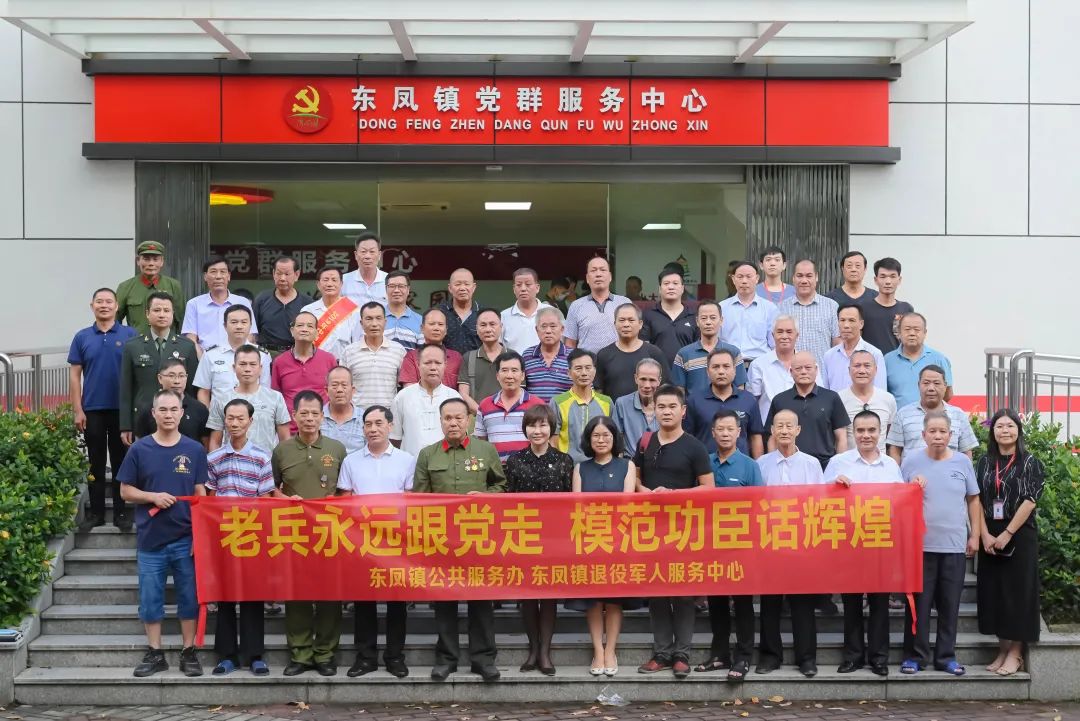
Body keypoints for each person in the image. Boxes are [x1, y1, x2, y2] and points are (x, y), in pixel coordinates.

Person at [413, 397, 506, 682]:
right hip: (441, 540)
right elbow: (419, 499)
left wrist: (486, 496)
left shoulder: (485, 450)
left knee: (481, 601)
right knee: (444, 601)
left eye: (458, 418)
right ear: (440, 421)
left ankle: (483, 659)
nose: (453, 423)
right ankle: (446, 659)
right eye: (447, 418)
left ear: (469, 420)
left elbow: (501, 486)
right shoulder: (428, 455)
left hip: (477, 538)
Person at [117, 389, 206, 678]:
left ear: (182, 413)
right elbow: (125, 491)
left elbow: (200, 494)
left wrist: (200, 535)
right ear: (154, 413)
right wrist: (152, 496)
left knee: (189, 598)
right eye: (163, 410)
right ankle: (155, 653)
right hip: (151, 539)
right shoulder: (139, 449)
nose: (168, 415)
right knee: (150, 599)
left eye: (173, 409)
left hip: (185, 538)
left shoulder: (195, 450)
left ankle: (188, 651)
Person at [633, 385, 712, 679]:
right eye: (661, 407)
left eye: (672, 407)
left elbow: (708, 487)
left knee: (682, 593)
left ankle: (682, 654)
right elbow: (635, 478)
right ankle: (662, 652)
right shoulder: (645, 442)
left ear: (683, 411)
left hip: (685, 530)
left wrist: (674, 495)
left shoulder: (694, 446)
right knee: (657, 592)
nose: (666, 412)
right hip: (652, 530)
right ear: (653, 410)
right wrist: (647, 492)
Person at [336, 404, 416, 679]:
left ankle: (395, 657)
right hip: (363, 542)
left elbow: (411, 500)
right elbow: (345, 500)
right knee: (364, 602)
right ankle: (365, 657)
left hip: (396, 541)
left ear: (390, 426)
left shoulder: (406, 460)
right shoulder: (351, 461)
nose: (373, 429)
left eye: (379, 423)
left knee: (396, 603)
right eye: (368, 424)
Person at [272, 391, 348, 677]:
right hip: (294, 533)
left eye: (315, 413)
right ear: (294, 416)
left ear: (322, 416)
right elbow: (271, 489)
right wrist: (284, 499)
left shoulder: (336, 449)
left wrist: (336, 504)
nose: (309, 418)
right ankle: (300, 654)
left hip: (330, 534)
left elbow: (345, 490)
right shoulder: (282, 450)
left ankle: (325, 653)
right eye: (303, 413)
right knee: (297, 595)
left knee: (330, 595)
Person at [900, 410, 980, 677]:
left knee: (949, 606)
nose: (937, 436)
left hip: (954, 545)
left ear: (951, 435)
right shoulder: (911, 461)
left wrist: (975, 535)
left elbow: (973, 499)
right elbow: (897, 498)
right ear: (923, 435)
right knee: (919, 608)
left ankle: (946, 657)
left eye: (942, 431)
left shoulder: (962, 462)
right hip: (920, 547)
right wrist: (911, 488)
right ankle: (915, 656)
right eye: (932, 431)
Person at [824, 410, 903, 677]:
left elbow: (901, 503)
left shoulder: (891, 466)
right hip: (850, 543)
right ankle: (853, 656)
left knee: (880, 603)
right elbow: (820, 501)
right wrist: (834, 487)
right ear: (853, 433)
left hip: (881, 543)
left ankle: (879, 658)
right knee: (852, 603)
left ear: (881, 433)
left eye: (871, 430)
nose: (866, 435)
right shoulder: (838, 463)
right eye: (860, 430)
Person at [205, 398, 279, 677]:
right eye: (230, 418)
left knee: (252, 595)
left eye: (240, 418)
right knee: (225, 596)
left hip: (251, 536)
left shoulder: (261, 457)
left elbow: (265, 499)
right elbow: (210, 500)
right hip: (224, 536)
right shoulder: (214, 458)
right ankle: (227, 656)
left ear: (250, 421)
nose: (234, 423)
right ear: (224, 421)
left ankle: (254, 655)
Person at [504, 405, 574, 676]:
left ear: (551, 429)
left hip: (555, 538)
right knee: (528, 596)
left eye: (543, 425)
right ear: (525, 429)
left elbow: (570, 501)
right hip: (524, 537)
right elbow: (508, 500)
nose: (538, 430)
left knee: (549, 596)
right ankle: (532, 649)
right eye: (532, 425)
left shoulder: (564, 461)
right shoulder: (515, 461)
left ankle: (545, 651)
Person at [755, 409, 825, 677]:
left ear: (798, 430)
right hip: (769, 543)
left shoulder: (811, 464)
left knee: (803, 604)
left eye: (789, 426)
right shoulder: (761, 464)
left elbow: (820, 503)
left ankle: (806, 658)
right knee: (770, 603)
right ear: (772, 431)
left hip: (801, 543)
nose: (784, 430)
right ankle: (770, 656)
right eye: (779, 426)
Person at [568, 415, 640, 677]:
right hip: (589, 541)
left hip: (618, 541)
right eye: (595, 436)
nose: (601, 440)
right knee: (593, 600)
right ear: (588, 440)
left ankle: (611, 650)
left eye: (606, 435)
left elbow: (627, 505)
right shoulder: (580, 468)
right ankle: (597, 651)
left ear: (614, 438)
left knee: (614, 599)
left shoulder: (627, 466)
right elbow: (577, 506)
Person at [976, 409, 1044, 677]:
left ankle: (1016, 653)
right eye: (999, 426)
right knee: (995, 594)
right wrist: (984, 535)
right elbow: (976, 500)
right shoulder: (984, 462)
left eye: (1010, 425)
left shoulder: (1030, 462)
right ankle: (1002, 649)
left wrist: (1007, 533)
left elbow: (1030, 500)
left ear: (1018, 430)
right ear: (992, 432)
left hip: (1019, 533)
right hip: (989, 534)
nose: (1005, 430)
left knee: (1017, 594)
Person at [696, 409, 762, 681]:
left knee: (743, 602)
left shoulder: (749, 466)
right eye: (720, 429)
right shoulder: (704, 463)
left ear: (739, 433)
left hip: (741, 544)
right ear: (713, 433)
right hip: (711, 543)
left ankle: (744, 656)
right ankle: (719, 654)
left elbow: (759, 505)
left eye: (730, 429)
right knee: (716, 602)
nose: (725, 434)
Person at [69, 288, 138, 531]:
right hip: (93, 409)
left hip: (123, 410)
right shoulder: (82, 337)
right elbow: (75, 376)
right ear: (92, 306)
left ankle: (121, 513)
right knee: (95, 463)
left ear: (117, 306)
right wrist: (78, 409)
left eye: (109, 301)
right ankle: (96, 513)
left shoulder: (131, 335)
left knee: (121, 462)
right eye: (100, 301)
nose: (104, 305)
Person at [119, 290, 198, 444]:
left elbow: (191, 388)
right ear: (147, 314)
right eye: (157, 310)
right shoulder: (132, 346)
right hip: (143, 419)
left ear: (173, 314)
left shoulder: (187, 346)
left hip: (176, 419)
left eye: (166, 310)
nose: (162, 315)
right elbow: (126, 390)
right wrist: (125, 426)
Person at [765, 351, 849, 470]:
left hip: (825, 466)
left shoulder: (831, 398)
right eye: (798, 368)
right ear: (791, 372)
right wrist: (774, 466)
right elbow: (772, 438)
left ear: (816, 370)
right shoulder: (779, 400)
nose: (803, 372)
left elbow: (841, 437)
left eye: (808, 368)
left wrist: (839, 468)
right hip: (788, 466)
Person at [206, 344, 291, 452]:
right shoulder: (221, 399)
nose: (247, 369)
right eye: (242, 364)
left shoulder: (275, 398)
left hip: (267, 461)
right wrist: (215, 461)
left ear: (260, 368)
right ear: (234, 367)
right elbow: (215, 441)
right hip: (231, 461)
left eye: (252, 364)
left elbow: (285, 440)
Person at [887, 365, 977, 463]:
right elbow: (895, 450)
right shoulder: (903, 414)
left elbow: (966, 452)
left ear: (945, 386)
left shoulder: (958, 415)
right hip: (913, 472)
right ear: (919, 385)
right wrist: (898, 472)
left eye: (937, 383)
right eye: (926, 383)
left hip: (949, 472)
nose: (931, 388)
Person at [685, 349, 764, 457]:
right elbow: (688, 438)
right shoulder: (694, 400)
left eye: (726, 366)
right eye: (716, 367)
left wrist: (757, 464)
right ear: (707, 371)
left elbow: (755, 437)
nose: (721, 371)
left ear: (734, 370)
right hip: (705, 465)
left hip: (741, 465)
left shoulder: (748, 399)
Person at [474, 351, 547, 463]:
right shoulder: (485, 405)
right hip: (496, 470)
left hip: (530, 469)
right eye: (504, 370)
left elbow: (545, 440)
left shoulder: (537, 404)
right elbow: (481, 442)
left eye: (514, 370)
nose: (509, 376)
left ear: (522, 375)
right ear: (497, 376)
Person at [390, 344, 463, 456]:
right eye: (427, 363)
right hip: (411, 463)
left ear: (445, 365)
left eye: (438, 363)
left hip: (446, 463)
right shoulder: (403, 397)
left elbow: (461, 438)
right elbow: (395, 438)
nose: (433, 367)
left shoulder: (454, 397)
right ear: (418, 365)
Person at [269, 311, 336, 433]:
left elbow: (335, 395)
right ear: (292, 331)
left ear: (316, 332)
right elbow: (275, 397)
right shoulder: (280, 362)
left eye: (310, 326)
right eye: (300, 325)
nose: (304, 329)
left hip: (324, 429)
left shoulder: (329, 359)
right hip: (290, 431)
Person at [193, 305, 271, 407]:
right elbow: (203, 391)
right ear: (225, 326)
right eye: (234, 322)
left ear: (250, 325)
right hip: (219, 415)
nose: (239, 326)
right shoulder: (210, 355)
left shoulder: (263, 355)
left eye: (244, 322)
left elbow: (266, 391)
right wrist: (207, 415)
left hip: (253, 414)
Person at [747, 316, 816, 428]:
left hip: (803, 427)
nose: (784, 336)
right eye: (780, 332)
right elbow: (752, 403)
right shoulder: (758, 365)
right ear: (773, 335)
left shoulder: (809, 364)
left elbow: (818, 395)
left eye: (789, 332)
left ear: (797, 335)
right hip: (769, 429)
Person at [182, 256, 257, 356]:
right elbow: (191, 338)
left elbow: (250, 335)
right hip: (204, 357)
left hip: (237, 357)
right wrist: (203, 360)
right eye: (213, 272)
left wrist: (240, 357)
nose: (218, 276)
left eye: (222, 272)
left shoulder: (243, 302)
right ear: (205, 276)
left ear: (229, 276)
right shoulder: (194, 304)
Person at [339, 301, 407, 409]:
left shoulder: (399, 350)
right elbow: (343, 386)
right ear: (361, 323)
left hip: (388, 414)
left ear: (385, 321)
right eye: (369, 319)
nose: (374, 324)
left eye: (378, 318)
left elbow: (404, 388)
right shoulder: (349, 352)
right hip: (358, 414)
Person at [550, 349, 613, 463]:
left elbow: (613, 436)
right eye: (578, 368)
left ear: (594, 371)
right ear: (569, 373)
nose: (584, 373)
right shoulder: (557, 402)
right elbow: (553, 441)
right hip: (567, 466)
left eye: (588, 368)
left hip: (600, 466)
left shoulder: (607, 402)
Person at [673, 300, 747, 395]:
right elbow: (679, 391)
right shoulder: (684, 354)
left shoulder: (733, 352)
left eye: (713, 318)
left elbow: (740, 388)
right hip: (694, 404)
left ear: (721, 320)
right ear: (697, 321)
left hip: (727, 405)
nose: (708, 322)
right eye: (704, 318)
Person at [595, 303, 668, 400]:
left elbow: (664, 387)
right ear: (615, 324)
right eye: (622, 320)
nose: (626, 324)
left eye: (631, 320)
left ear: (640, 324)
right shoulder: (604, 355)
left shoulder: (654, 353)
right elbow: (598, 391)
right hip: (613, 409)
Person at [884, 312, 954, 409]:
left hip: (930, 417)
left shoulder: (939, 359)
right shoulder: (887, 360)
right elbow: (883, 393)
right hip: (899, 417)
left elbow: (948, 393)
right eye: (907, 329)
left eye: (917, 330)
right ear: (899, 333)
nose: (912, 333)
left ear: (925, 333)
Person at [776, 259, 840, 365]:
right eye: (799, 276)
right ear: (793, 278)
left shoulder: (831, 306)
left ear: (816, 277)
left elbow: (837, 343)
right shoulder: (781, 308)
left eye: (809, 276)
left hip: (822, 372)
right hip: (790, 372)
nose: (804, 280)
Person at [133, 358, 210, 445]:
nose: (177, 381)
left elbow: (205, 445)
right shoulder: (148, 409)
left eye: (181, 376)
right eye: (171, 376)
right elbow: (139, 444)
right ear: (160, 378)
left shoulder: (199, 409)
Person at [115, 240, 185, 335]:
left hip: (167, 342)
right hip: (137, 341)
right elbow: (115, 320)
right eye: (146, 259)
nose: (151, 263)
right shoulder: (125, 287)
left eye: (155, 259)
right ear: (138, 261)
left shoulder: (173, 286)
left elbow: (181, 319)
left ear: (162, 262)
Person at [563, 257, 631, 352]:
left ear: (610, 277)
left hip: (619, 360)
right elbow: (570, 343)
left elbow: (633, 337)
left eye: (603, 270)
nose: (598, 274)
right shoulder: (576, 306)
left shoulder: (624, 303)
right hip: (587, 361)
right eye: (593, 270)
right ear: (587, 278)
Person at [720, 261, 780, 365]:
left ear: (757, 278)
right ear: (733, 279)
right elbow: (715, 341)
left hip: (760, 366)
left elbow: (775, 344)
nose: (744, 281)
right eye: (740, 277)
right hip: (728, 365)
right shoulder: (722, 308)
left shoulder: (770, 309)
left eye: (749, 276)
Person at [252, 256, 313, 357]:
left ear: (296, 275)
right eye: (279, 273)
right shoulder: (261, 299)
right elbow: (252, 332)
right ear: (273, 274)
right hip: (266, 354)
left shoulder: (307, 303)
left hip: (295, 355)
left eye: (287, 274)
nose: (282, 278)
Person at [838, 350, 897, 451]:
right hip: (850, 459)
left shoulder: (888, 399)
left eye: (867, 366)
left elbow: (891, 436)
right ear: (849, 370)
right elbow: (838, 438)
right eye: (857, 366)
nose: (862, 370)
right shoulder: (839, 399)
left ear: (876, 369)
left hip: (880, 459)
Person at [820, 304, 886, 391]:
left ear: (861, 324)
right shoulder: (829, 356)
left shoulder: (874, 354)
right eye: (842, 320)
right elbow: (825, 390)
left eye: (851, 320)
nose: (846, 325)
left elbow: (881, 391)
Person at [300, 266, 362, 359]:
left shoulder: (354, 311)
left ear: (341, 284)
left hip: (343, 364)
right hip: (314, 362)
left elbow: (358, 342)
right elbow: (302, 342)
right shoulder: (308, 311)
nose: (329, 284)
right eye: (325, 280)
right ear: (318, 284)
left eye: (334, 280)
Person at [641, 267, 698, 364]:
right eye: (666, 283)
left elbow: (698, 349)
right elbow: (643, 347)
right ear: (660, 289)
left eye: (675, 283)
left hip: (687, 370)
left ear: (682, 288)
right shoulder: (648, 315)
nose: (671, 287)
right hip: (656, 371)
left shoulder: (693, 316)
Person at [397, 307, 463, 388]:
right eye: (432, 324)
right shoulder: (411, 357)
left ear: (446, 330)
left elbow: (462, 390)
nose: (436, 328)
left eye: (440, 324)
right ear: (422, 328)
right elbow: (409, 390)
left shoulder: (456, 358)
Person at [458, 308, 506, 414]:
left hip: (507, 418)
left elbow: (519, 393)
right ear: (476, 328)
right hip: (477, 418)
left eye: (492, 324)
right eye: (483, 325)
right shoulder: (468, 358)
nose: (488, 329)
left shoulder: (512, 357)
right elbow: (463, 394)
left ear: (501, 326)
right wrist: (483, 414)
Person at [862, 257, 914, 354]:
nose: (888, 281)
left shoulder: (906, 308)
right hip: (870, 361)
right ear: (876, 280)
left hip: (898, 361)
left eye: (892, 276)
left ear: (899, 280)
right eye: (883, 276)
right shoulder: (863, 308)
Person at [522, 307, 573, 401]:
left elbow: (585, 389)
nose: (548, 331)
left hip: (564, 410)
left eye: (553, 326)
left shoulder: (574, 356)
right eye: (544, 326)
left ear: (562, 329)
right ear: (537, 329)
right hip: (534, 410)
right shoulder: (527, 356)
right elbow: (521, 390)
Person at [612, 358, 662, 453]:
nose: (647, 385)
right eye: (643, 379)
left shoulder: (666, 405)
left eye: (652, 380)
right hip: (630, 460)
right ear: (636, 378)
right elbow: (615, 438)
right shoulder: (622, 404)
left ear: (659, 381)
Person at [502, 267, 552, 354]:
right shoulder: (503, 316)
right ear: (514, 289)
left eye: (528, 284)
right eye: (518, 285)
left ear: (537, 288)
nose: (523, 289)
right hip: (514, 363)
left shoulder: (551, 312)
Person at [320, 366, 366, 453]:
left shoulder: (364, 418)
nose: (339, 390)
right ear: (326, 390)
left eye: (344, 385)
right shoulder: (317, 417)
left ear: (353, 390)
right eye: (334, 385)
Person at [341, 232, 388, 309]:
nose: (367, 256)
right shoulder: (343, 281)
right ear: (356, 255)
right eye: (363, 251)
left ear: (379, 255)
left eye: (372, 252)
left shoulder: (389, 280)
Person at [440, 268, 481, 354]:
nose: (462, 288)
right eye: (458, 284)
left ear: (473, 287)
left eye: (466, 284)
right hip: (446, 361)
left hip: (475, 362)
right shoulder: (440, 313)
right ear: (450, 288)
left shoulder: (483, 313)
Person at [383, 270, 423, 349]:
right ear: (386, 289)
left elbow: (422, 352)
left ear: (408, 289)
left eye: (401, 286)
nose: (396, 290)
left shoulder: (420, 321)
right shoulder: (376, 318)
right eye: (392, 286)